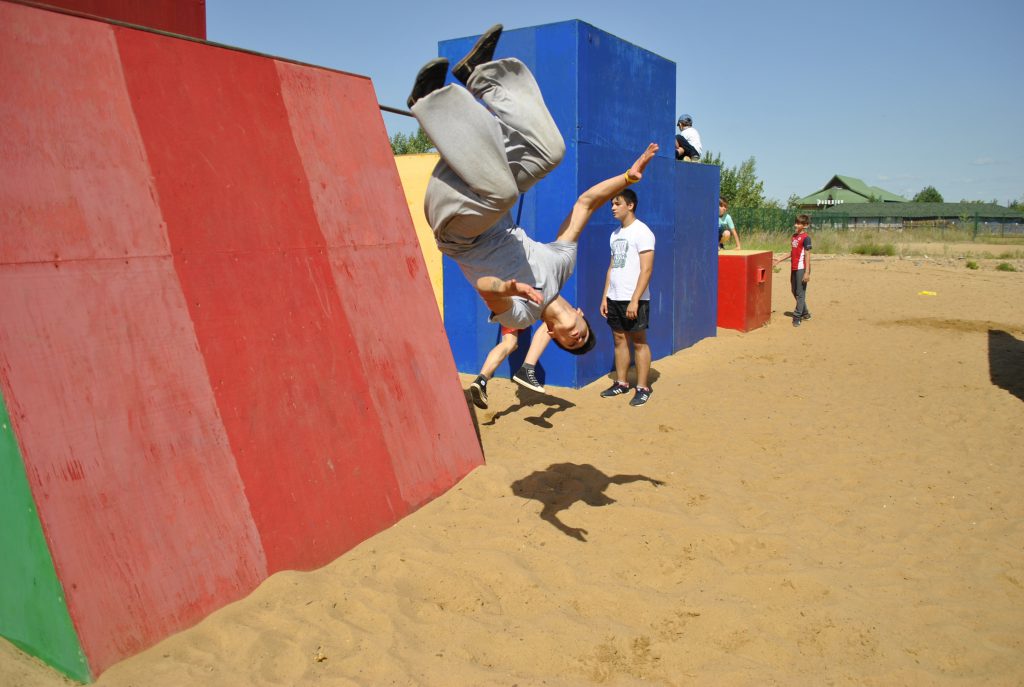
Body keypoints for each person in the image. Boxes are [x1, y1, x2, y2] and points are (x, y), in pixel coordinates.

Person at [407, 24, 659, 356]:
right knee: (550, 152)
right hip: (482, 195)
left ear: (552, 334)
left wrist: (507, 287)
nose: (575, 336)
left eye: (569, 342)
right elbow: (585, 204)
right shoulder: (561, 266)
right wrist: (626, 178)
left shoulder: (524, 315)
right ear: (581, 316)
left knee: (504, 194)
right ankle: (479, 74)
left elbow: (485, 287)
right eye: (582, 336)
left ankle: (427, 101)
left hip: (459, 231)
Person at [599, 188, 655, 407]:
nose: (612, 207)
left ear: (630, 205)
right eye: (612, 204)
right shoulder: (614, 234)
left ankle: (642, 387)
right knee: (619, 340)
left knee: (639, 342)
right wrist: (605, 296)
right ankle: (621, 383)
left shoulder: (643, 232)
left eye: (617, 203)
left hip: (635, 299)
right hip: (614, 297)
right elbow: (612, 267)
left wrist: (635, 299)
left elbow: (647, 270)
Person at [469, 326, 551, 409]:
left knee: (509, 343)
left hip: (504, 313)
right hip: (522, 313)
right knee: (551, 323)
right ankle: (527, 368)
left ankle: (481, 380)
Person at [773, 214, 812, 327]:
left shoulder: (806, 238)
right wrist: (779, 259)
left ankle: (797, 316)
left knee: (800, 294)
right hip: (793, 267)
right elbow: (793, 252)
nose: (796, 225)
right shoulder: (794, 236)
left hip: (802, 268)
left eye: (799, 223)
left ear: (805, 225)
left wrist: (807, 272)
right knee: (794, 291)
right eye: (796, 222)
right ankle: (805, 313)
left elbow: (807, 255)